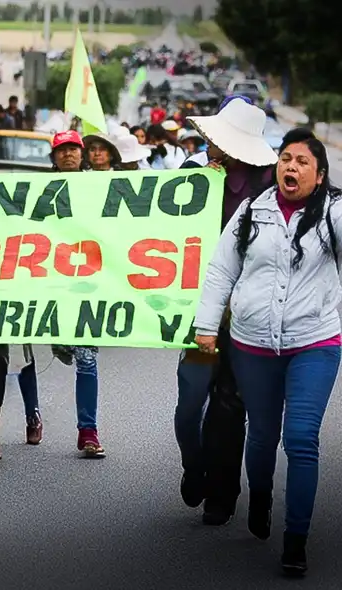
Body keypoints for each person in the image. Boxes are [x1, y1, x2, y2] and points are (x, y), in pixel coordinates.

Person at [193, 128, 340, 577]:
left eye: (301, 162)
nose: (290, 167)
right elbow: (221, 269)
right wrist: (206, 324)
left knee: (300, 440)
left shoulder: (333, 212)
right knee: (260, 437)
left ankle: (296, 540)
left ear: (318, 176)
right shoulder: (251, 211)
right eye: (285, 159)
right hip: (252, 344)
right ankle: (259, 495)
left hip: (315, 342)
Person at [174, 96, 277, 527]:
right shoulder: (190, 176)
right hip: (198, 315)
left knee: (229, 406)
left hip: (245, 318)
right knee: (190, 400)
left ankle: (222, 494)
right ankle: (193, 465)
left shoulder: (269, 186)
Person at [43, 131, 105, 457]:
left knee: (86, 357)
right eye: (61, 150)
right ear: (54, 157)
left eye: (73, 150)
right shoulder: (40, 191)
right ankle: (31, 416)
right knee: (24, 356)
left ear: (82, 155)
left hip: (87, 282)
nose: (68, 155)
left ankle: (88, 431)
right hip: (50, 280)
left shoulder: (100, 188)